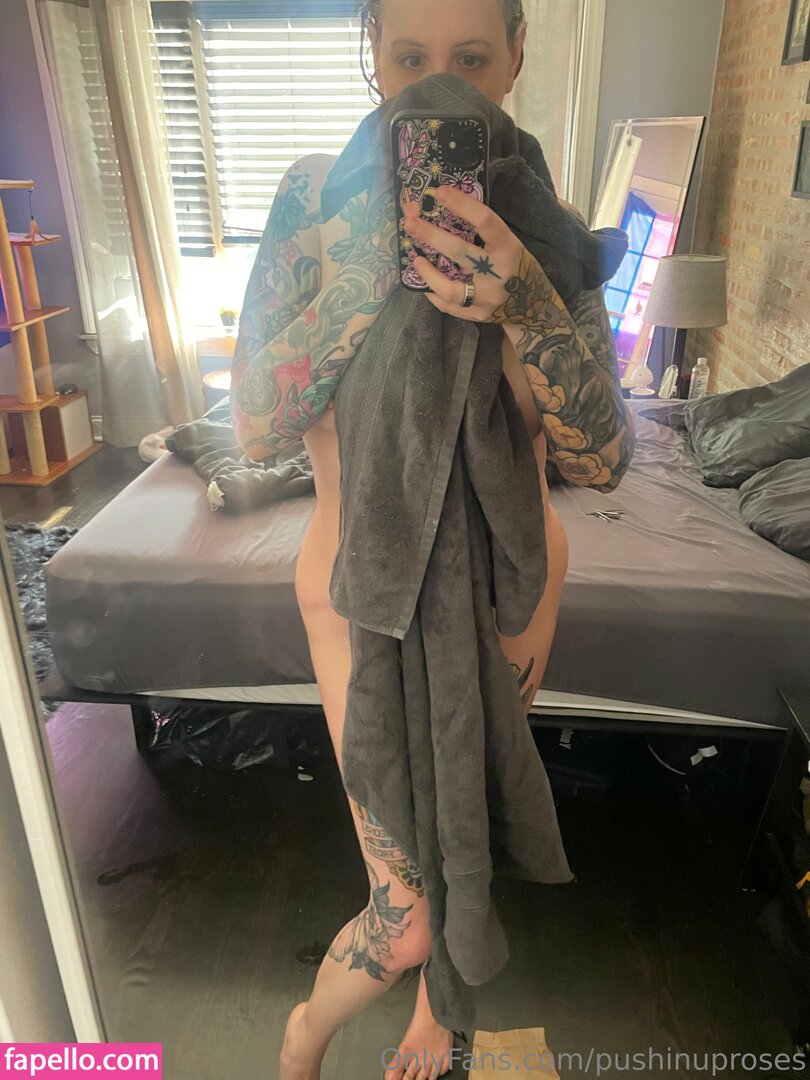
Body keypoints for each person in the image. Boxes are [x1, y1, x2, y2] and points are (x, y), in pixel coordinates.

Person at [230, 2, 635, 1077]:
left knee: (466, 839)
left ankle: (435, 1018)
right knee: (402, 906)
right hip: (360, 587)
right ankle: (307, 1031)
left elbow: (601, 457)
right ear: (372, 54)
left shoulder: (543, 221)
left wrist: (527, 305)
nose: (436, 82)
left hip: (510, 589)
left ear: (517, 57)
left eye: (470, 58)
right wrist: (368, 270)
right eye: (409, 57)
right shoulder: (313, 199)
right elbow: (257, 428)